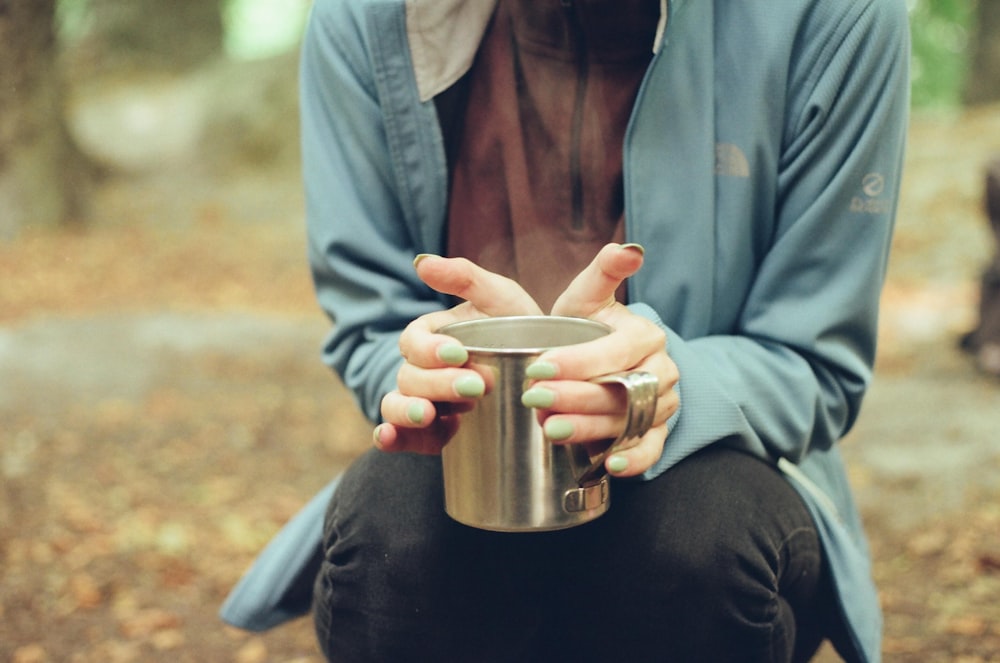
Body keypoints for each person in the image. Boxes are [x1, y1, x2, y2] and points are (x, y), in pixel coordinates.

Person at [300, 0, 910, 661]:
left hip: (734, 473)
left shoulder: (838, 15)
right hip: (468, 458)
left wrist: (671, 385)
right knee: (389, 533)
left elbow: (816, 365)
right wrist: (432, 370)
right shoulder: (366, 17)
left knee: (694, 545)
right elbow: (372, 323)